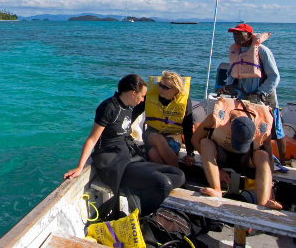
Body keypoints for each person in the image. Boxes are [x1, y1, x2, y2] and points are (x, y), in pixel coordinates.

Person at [64, 74, 185, 216]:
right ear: (133, 93)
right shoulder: (109, 108)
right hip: (113, 163)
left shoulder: (129, 107)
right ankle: (141, 216)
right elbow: (92, 139)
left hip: (128, 157)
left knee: (179, 175)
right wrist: (79, 167)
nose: (143, 100)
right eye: (142, 96)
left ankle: (141, 196)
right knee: (163, 183)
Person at [191, 96, 282, 209]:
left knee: (262, 155)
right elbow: (195, 139)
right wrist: (218, 170)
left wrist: (270, 184)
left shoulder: (262, 125)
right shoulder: (217, 118)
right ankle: (217, 189)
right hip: (222, 154)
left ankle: (264, 201)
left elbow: (269, 154)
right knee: (205, 143)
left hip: (246, 158)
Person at [219, 23, 286, 164]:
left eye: (239, 33)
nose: (235, 36)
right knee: (249, 128)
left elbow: (274, 76)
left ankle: (283, 161)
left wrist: (260, 92)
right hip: (245, 99)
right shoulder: (236, 52)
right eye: (234, 34)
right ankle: (250, 158)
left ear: (249, 35)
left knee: (276, 132)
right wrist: (227, 87)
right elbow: (233, 73)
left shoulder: (262, 51)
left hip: (265, 98)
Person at [143, 71, 195, 167]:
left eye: (165, 87)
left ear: (176, 90)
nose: (160, 89)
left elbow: (188, 128)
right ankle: (178, 175)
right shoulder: (150, 97)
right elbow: (133, 113)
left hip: (174, 135)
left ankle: (170, 176)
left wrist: (190, 153)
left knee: (154, 153)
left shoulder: (184, 103)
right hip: (151, 134)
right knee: (158, 138)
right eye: (160, 85)